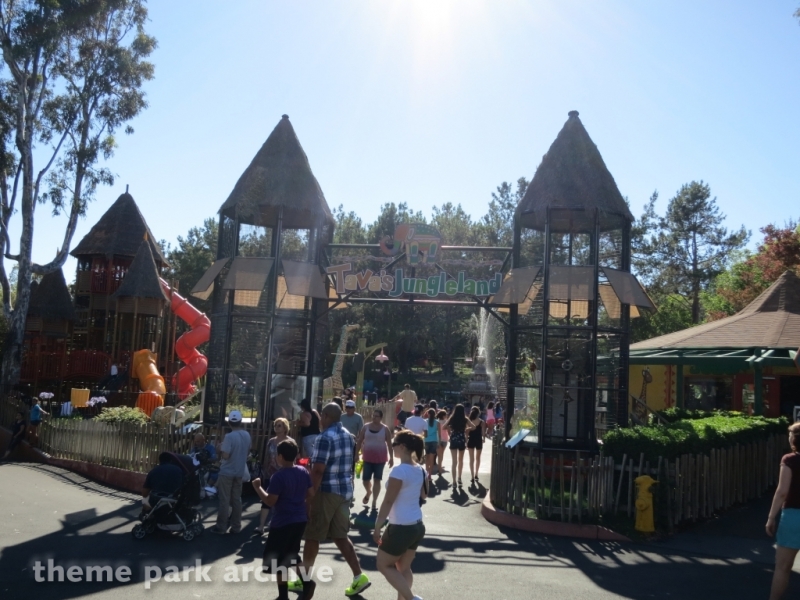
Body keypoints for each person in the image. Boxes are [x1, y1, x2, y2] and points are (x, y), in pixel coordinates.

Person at [298, 403, 371, 598]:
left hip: (326, 492)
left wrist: (309, 496)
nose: (320, 420)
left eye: (321, 416)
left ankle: (304, 580)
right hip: (344, 491)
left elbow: (318, 470)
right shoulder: (348, 435)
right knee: (340, 535)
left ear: (325, 416)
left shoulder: (324, 437)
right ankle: (359, 576)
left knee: (313, 535)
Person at [251, 439, 312, 600]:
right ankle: (305, 583)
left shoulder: (278, 476)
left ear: (280, 457)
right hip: (299, 519)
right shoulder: (303, 471)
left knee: (278, 559)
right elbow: (311, 493)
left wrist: (258, 487)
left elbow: (270, 501)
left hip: (283, 522)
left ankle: (285, 594)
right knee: (291, 555)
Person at [373, 429, 427, 600]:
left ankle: (411, 598)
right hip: (417, 525)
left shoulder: (399, 471)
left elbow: (388, 501)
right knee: (403, 568)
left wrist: (377, 526)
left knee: (383, 564)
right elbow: (424, 495)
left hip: (401, 527)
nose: (392, 447)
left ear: (402, 446)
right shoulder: (420, 469)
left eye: (394, 444)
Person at [767, 421, 800, 599]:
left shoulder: (789, 460)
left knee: (782, 567)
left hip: (793, 516)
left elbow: (782, 492)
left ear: (794, 439)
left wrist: (771, 517)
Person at [210, 410, 251, 534]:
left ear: (229, 422)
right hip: (239, 471)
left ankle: (221, 527)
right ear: (240, 421)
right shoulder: (246, 435)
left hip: (227, 471)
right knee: (236, 499)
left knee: (224, 499)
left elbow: (226, 456)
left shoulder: (229, 436)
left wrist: (220, 448)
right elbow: (247, 452)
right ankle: (236, 526)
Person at [257, 417, 293, 534]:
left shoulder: (290, 442)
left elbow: (293, 458)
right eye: (275, 425)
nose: (276, 427)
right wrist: (264, 470)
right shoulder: (271, 442)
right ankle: (261, 526)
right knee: (266, 499)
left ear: (285, 428)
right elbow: (267, 457)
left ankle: (278, 525)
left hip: (285, 474)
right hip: (270, 474)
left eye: (279, 425)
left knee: (283, 500)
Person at [355, 408, 394, 509]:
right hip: (367, 457)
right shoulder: (366, 427)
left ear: (381, 418)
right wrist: (356, 454)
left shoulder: (385, 429)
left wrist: (391, 458)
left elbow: (390, 444)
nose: (374, 417)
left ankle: (374, 501)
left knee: (377, 479)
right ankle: (369, 492)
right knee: (365, 479)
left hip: (380, 458)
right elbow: (360, 441)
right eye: (373, 415)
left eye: (376, 416)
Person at [444, 404, 474, 487]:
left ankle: (454, 481)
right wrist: (466, 429)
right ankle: (459, 477)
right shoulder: (465, 419)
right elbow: (473, 427)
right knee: (461, 460)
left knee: (454, 462)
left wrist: (450, 428)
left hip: (453, 438)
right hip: (461, 439)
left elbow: (443, 427)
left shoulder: (452, 418)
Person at [467, 406, 487, 484]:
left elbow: (467, 431)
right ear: (478, 413)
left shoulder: (469, 421)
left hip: (471, 439)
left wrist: (466, 440)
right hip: (478, 440)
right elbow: (483, 432)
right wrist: (484, 438)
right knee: (478, 458)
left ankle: (472, 476)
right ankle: (476, 474)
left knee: (471, 459)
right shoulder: (482, 422)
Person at [423, 409, 439, 482]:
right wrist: (438, 442)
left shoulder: (425, 421)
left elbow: (423, 432)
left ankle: (426, 474)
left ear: (428, 414)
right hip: (434, 440)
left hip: (426, 440)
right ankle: (430, 475)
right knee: (432, 459)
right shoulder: (437, 422)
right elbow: (439, 434)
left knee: (427, 458)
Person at [435, 410, 449, 475]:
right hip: (445, 439)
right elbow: (448, 430)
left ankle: (439, 467)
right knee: (442, 454)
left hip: (438, 439)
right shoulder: (446, 422)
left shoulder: (436, 422)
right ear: (443, 416)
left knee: (439, 454)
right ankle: (440, 467)